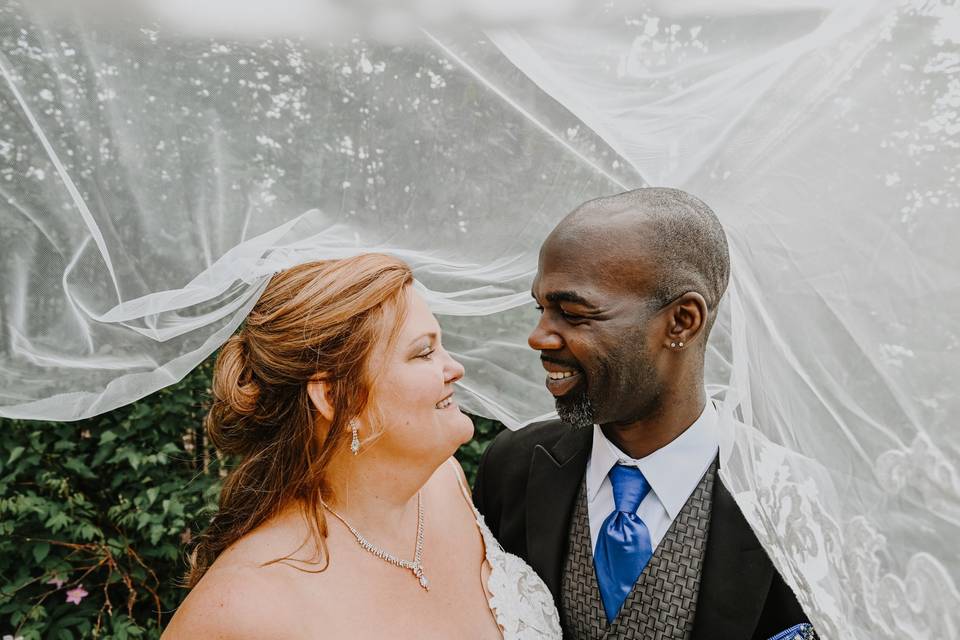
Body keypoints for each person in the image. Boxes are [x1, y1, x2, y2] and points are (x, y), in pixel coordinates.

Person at [473, 188, 815, 640]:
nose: (539, 337)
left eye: (573, 314)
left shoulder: (789, 495)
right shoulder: (513, 464)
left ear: (681, 321)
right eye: (542, 309)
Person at [164, 254, 561, 639]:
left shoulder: (446, 483)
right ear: (336, 398)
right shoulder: (242, 607)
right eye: (424, 352)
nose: (455, 368)